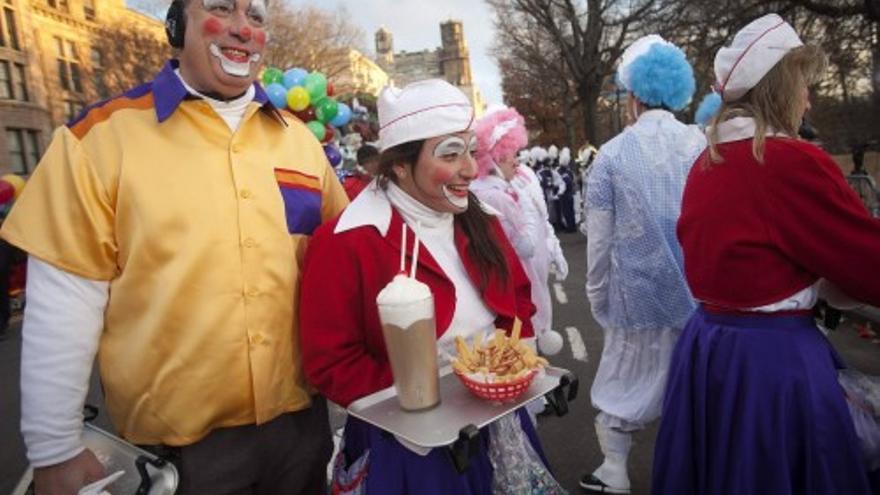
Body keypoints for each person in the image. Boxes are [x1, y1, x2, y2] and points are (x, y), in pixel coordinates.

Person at [0, 0, 349, 492]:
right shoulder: (97, 140)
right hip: (178, 457)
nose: (242, 29)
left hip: (301, 433)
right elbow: (64, 303)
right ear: (175, 27)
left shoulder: (300, 142)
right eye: (222, 8)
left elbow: (344, 264)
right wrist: (54, 447)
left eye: (256, 16)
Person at [652, 13, 880, 494]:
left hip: (709, 349)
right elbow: (868, 265)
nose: (808, 98)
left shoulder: (707, 161)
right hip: (773, 363)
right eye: (802, 84)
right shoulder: (788, 161)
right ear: (779, 88)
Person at [299, 79, 563, 494]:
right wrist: (421, 398)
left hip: (498, 421)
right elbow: (330, 360)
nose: (472, 170)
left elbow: (519, 301)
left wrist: (516, 367)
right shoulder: (347, 240)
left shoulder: (483, 219)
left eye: (471, 151)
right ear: (401, 165)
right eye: (450, 154)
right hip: (408, 449)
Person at [582, 34, 704, 494]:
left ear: (632, 96)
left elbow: (599, 239)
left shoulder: (611, 155)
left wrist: (597, 294)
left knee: (624, 378)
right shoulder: (699, 145)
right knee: (690, 379)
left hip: (634, 295)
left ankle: (614, 469)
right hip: (695, 291)